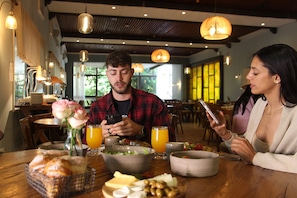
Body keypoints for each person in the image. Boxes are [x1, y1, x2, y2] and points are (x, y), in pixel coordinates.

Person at [207, 44, 297, 173]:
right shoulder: (260, 105)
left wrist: (256, 158)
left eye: (255, 72)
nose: (248, 76)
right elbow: (247, 149)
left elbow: (252, 155)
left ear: (277, 77)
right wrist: (225, 134)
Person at [86, 50, 176, 144]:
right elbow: (85, 145)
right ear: (107, 75)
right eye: (113, 73)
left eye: (124, 72)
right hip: (107, 159)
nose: (119, 78)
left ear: (132, 72)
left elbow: (170, 141)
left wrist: (140, 130)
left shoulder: (153, 102)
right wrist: (99, 136)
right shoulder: (97, 106)